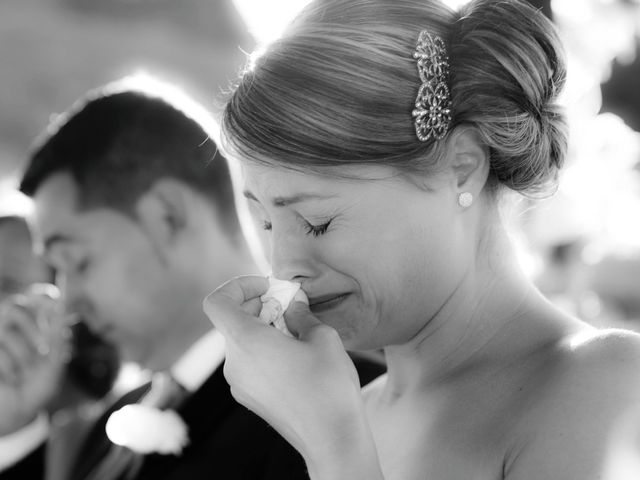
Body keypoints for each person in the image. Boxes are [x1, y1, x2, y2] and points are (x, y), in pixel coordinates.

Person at [203, 0, 640, 479]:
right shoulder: (348, 408)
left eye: (317, 222)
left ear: (462, 167)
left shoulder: (607, 384)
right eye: (266, 223)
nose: (284, 268)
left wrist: (335, 446)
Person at [0, 79, 384, 480]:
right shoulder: (110, 426)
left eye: (76, 261)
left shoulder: (344, 402)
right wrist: (13, 426)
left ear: (168, 215)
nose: (68, 301)